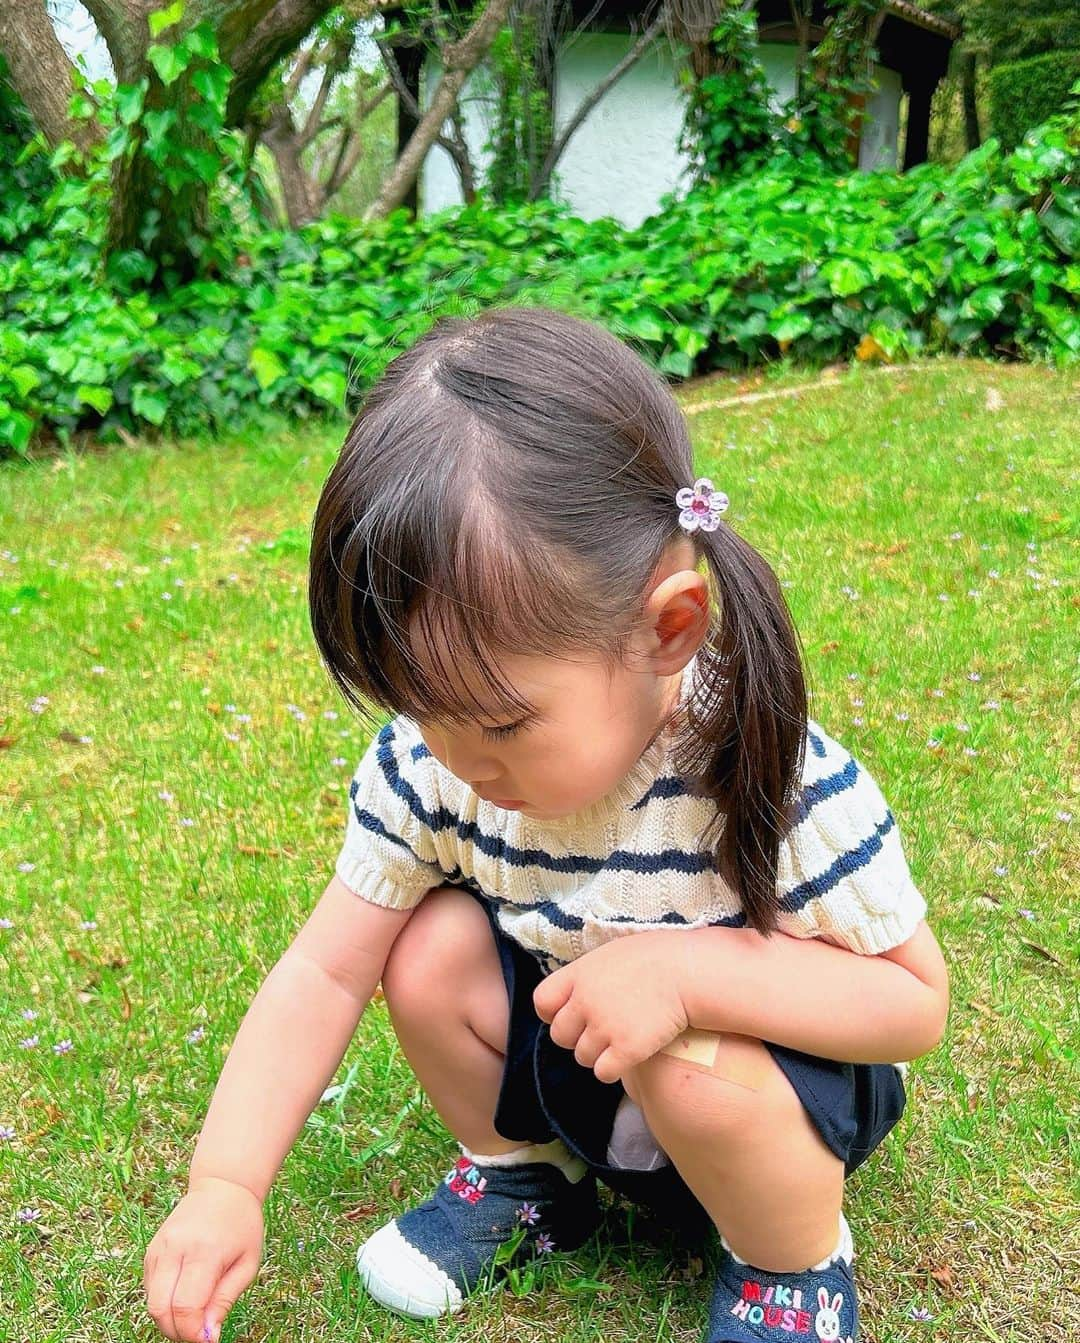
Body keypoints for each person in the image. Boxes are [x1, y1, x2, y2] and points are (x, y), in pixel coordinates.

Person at [142, 306, 949, 1343]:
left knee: (689, 1062)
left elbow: (913, 1003)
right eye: (419, 710)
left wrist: (686, 974)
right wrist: (225, 1178)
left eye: (503, 723)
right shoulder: (435, 764)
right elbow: (324, 971)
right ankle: (530, 1181)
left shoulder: (766, 765)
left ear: (669, 630)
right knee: (424, 945)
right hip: (586, 1063)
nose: (459, 761)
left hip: (756, 1094)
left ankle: (789, 1265)